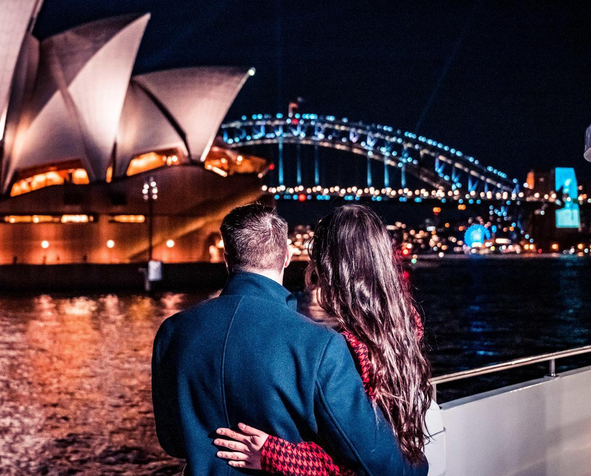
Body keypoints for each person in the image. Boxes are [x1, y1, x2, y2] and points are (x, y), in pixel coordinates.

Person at [152, 203, 426, 476]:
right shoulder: (320, 346)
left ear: (227, 260)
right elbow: (379, 463)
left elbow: (173, 442)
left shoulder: (172, 332)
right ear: (286, 256)